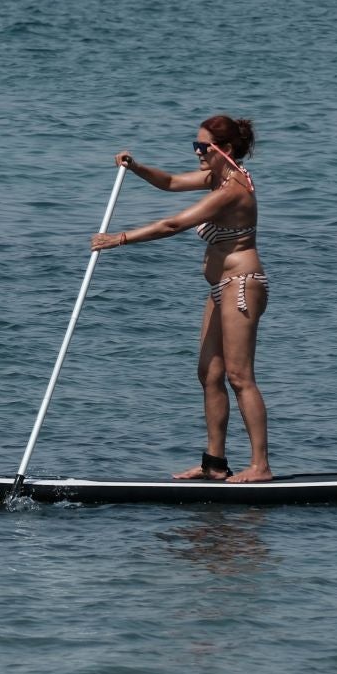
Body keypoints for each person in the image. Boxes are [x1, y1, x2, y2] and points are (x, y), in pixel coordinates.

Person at [91, 114, 273, 483]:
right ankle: (215, 464)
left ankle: (261, 467)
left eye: (203, 147)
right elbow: (172, 182)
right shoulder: (215, 178)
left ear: (226, 150)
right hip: (220, 287)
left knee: (240, 377)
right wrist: (137, 167)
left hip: (242, 285)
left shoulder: (232, 190)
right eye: (196, 146)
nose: (197, 154)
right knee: (209, 375)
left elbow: (174, 224)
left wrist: (119, 239)